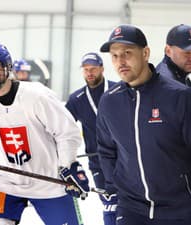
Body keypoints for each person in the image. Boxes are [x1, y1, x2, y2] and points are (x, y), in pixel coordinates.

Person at [96, 24, 191, 225]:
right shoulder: (109, 102)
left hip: (178, 208)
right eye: (114, 56)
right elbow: (107, 150)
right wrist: (111, 191)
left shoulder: (180, 96)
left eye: (127, 53)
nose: (120, 61)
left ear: (145, 53)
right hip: (131, 208)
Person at [0, 43, 90, 225]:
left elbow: (67, 133)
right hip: (6, 182)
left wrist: (68, 165)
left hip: (49, 183)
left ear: (7, 67)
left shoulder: (37, 96)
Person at [65, 52, 117, 225]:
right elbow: (61, 129)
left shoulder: (120, 90)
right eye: (86, 69)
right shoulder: (76, 99)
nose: (89, 73)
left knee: (128, 205)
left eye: (93, 68)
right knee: (109, 204)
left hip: (125, 159)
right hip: (98, 162)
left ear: (102, 68)